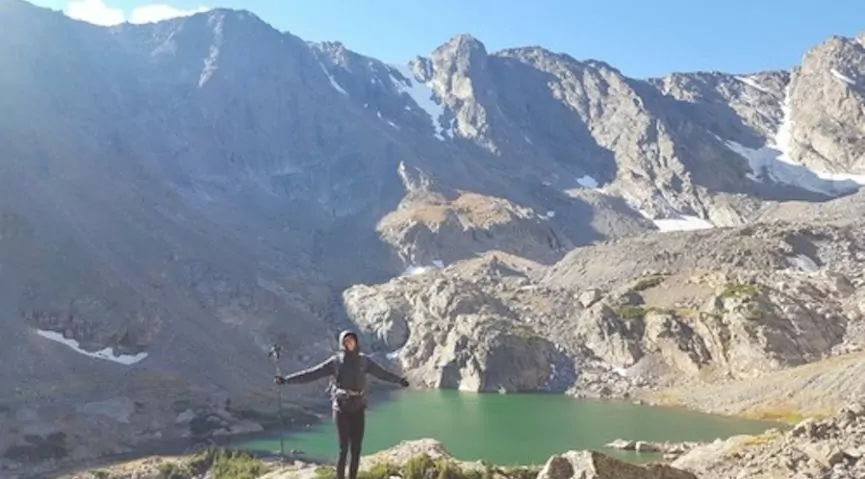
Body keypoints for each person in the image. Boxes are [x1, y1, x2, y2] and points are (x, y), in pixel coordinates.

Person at [275, 330, 409, 479]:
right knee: (343, 449)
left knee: (356, 449)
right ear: (342, 343)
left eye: (352, 340)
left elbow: (382, 373)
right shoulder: (336, 361)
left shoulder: (364, 361)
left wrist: (399, 380)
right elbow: (312, 374)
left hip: (358, 407)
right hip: (341, 408)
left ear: (356, 342)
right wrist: (286, 380)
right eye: (346, 341)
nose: (349, 343)